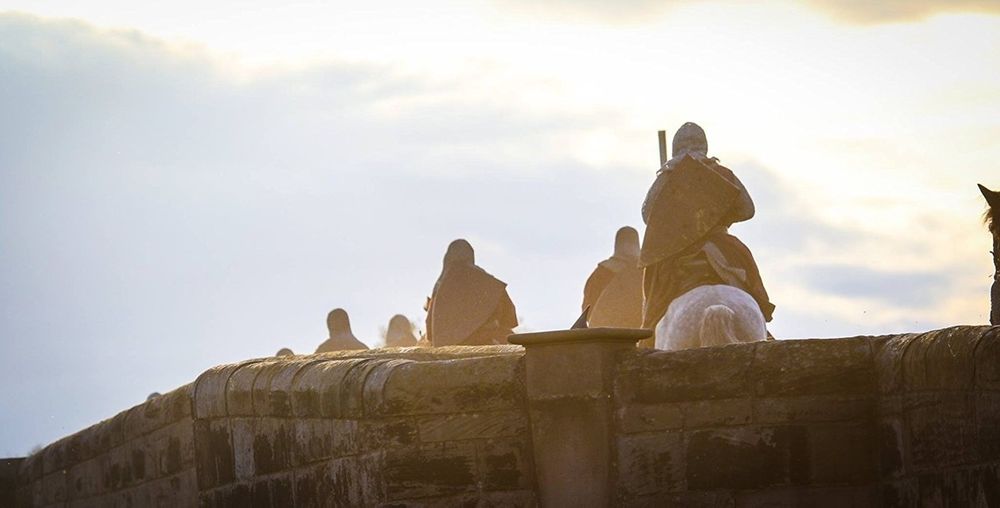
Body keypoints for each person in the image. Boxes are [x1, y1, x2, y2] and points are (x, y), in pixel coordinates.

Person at [640, 122, 774, 330]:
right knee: (748, 277)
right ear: (704, 146)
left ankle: (649, 335)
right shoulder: (721, 172)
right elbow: (747, 210)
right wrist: (719, 217)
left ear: (675, 148)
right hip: (722, 246)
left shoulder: (668, 176)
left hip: (678, 251)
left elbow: (647, 215)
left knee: (655, 297)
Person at [425, 239, 518, 346]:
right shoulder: (489, 282)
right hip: (490, 342)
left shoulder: (439, 289)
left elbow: (430, 333)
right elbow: (510, 319)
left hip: (449, 348)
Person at [581, 226, 643, 328]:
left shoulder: (602, 272)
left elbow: (587, 310)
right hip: (640, 332)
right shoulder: (646, 272)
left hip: (606, 332)